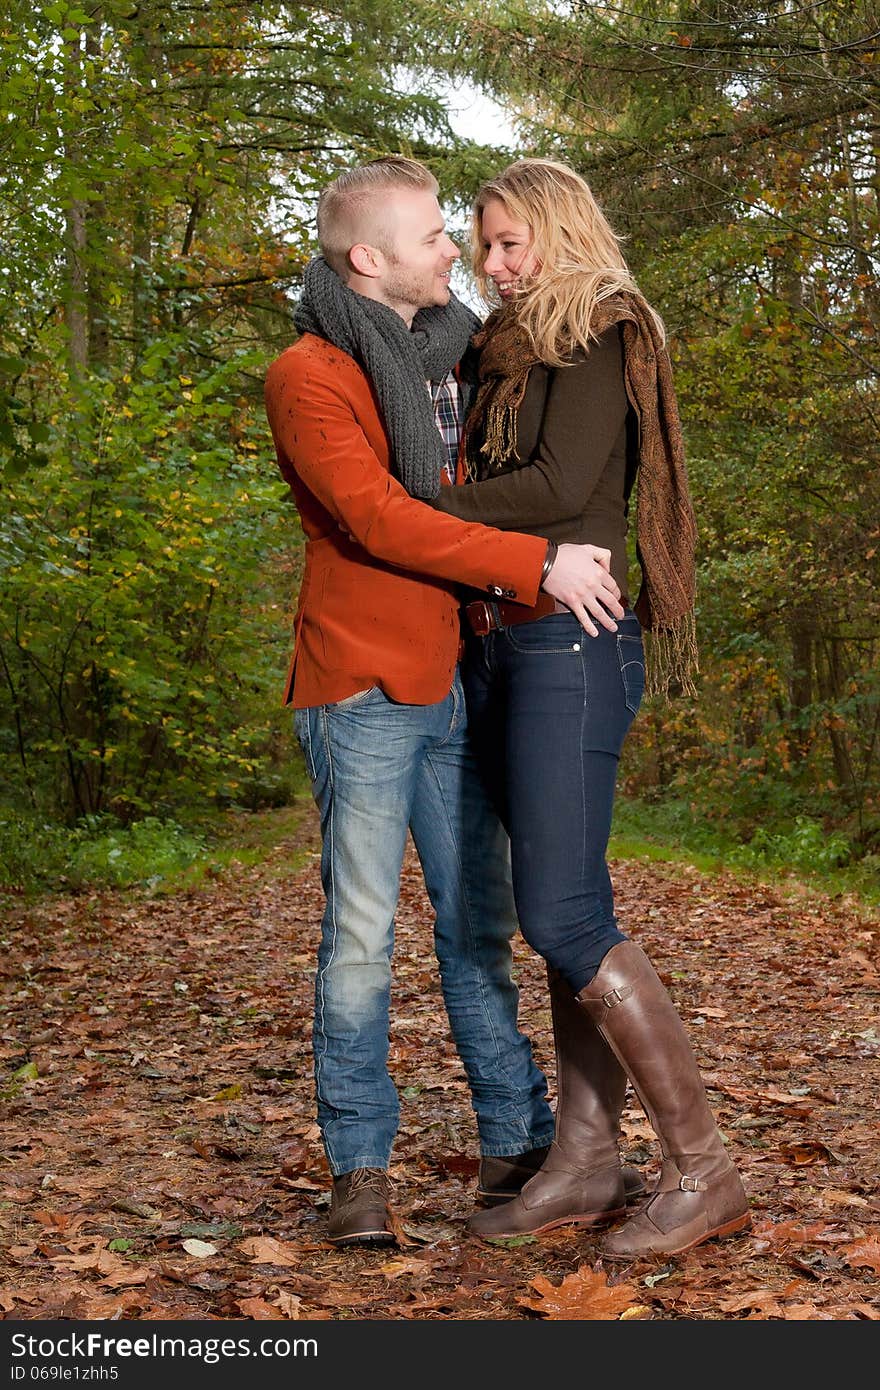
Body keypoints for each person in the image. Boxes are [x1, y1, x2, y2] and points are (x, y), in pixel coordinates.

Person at [263, 156, 642, 1248]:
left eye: (468, 236)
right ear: (367, 260)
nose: (460, 254)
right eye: (439, 234)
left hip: (463, 670)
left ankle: (518, 1141)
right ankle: (362, 1169)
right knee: (361, 935)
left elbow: (553, 439)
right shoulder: (311, 373)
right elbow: (382, 520)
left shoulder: (457, 353)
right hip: (366, 679)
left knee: (480, 923)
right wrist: (535, 565)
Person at [430, 158, 750, 1259]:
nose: (494, 265)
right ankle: (582, 1159)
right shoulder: (495, 351)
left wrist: (417, 509)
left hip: (573, 645)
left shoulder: (600, 332)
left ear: (560, 236)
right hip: (508, 640)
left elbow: (563, 487)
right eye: (484, 246)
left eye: (512, 244)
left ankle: (704, 1168)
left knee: (563, 915)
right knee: (561, 907)